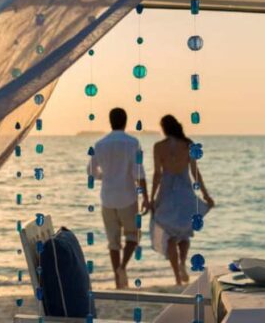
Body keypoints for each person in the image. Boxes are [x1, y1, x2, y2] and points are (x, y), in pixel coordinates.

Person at [88, 107, 150, 289]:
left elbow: (91, 171)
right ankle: (123, 267)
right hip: (128, 197)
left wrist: (104, 176)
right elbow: (139, 172)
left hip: (107, 198)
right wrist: (145, 196)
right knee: (133, 235)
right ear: (125, 121)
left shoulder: (100, 144)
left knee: (113, 242)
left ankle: (118, 278)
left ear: (110, 121)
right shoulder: (132, 143)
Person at [151, 114, 214, 285]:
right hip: (185, 190)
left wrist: (151, 198)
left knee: (170, 234)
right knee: (184, 233)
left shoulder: (159, 146)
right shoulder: (188, 144)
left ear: (164, 128)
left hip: (167, 191)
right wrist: (205, 195)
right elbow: (195, 172)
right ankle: (183, 263)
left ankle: (177, 277)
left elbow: (157, 173)